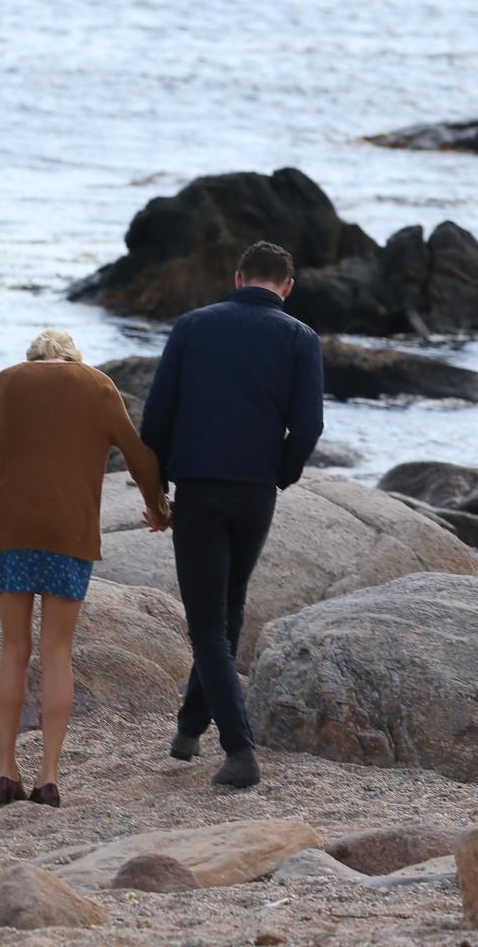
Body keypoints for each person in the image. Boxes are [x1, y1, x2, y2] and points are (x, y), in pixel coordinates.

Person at [141, 240, 324, 788]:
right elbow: (308, 426)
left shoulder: (193, 325)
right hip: (255, 492)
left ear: (239, 278)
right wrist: (280, 474)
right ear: (287, 287)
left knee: (207, 624)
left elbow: (157, 416)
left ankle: (240, 750)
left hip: (200, 487)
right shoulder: (301, 337)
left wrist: (157, 489)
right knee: (229, 609)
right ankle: (189, 728)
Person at [0, 329, 170, 808]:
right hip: (70, 537)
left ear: (34, 358)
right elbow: (140, 457)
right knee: (57, 652)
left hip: (10, 533)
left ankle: (6, 772)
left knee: (13, 648)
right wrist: (159, 509)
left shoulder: (8, 381)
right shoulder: (98, 385)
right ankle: (49, 778)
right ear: (73, 357)